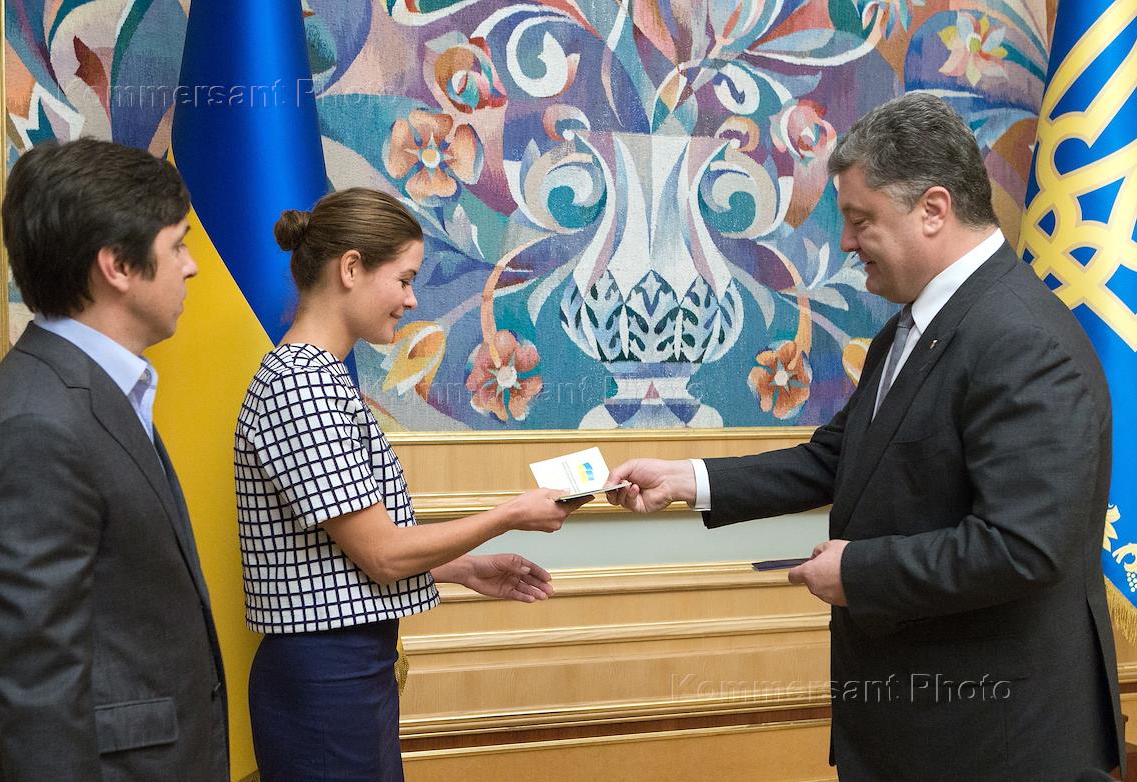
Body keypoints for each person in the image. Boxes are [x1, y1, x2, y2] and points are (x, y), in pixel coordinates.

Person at [606, 93, 1122, 779]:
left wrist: (857, 572)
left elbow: (1022, 547)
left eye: (859, 219)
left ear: (933, 209)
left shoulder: (1021, 340)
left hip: (996, 741)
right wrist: (687, 480)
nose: (846, 242)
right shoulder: (915, 328)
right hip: (919, 729)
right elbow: (839, 457)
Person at [235, 187, 587, 781]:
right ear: (351, 268)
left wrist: (462, 567)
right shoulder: (300, 386)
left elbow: (340, 553)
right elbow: (383, 554)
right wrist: (509, 514)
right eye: (403, 279)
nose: (411, 299)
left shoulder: (318, 379)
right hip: (326, 678)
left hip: (347, 670)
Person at [0, 139, 228, 780]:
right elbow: (38, 692)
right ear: (118, 266)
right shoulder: (35, 427)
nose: (191, 267)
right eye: (177, 245)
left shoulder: (92, 391)